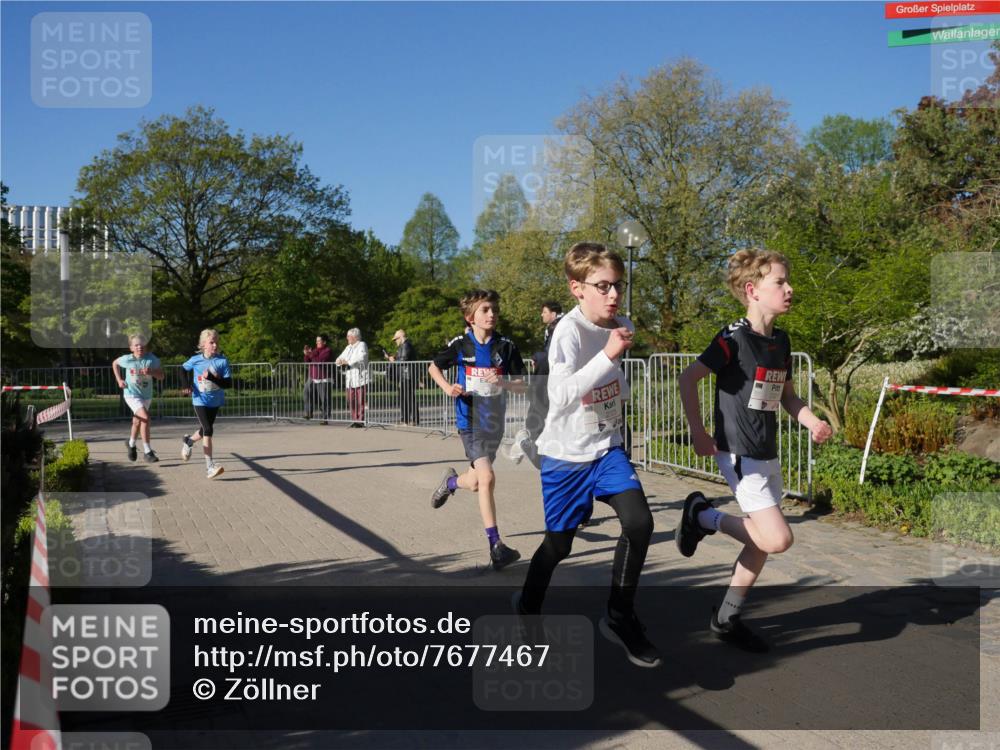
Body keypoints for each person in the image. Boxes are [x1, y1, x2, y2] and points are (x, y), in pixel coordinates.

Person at [676, 248, 832, 652]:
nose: (789, 288)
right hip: (738, 452)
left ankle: (726, 618)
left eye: (788, 280)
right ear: (752, 290)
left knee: (760, 542)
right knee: (776, 539)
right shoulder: (733, 338)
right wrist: (698, 431)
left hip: (767, 450)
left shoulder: (781, 341)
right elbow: (688, 378)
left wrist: (812, 421)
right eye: (780, 281)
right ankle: (702, 516)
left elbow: (788, 397)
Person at [516, 242, 661, 668]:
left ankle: (619, 616)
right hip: (566, 455)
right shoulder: (568, 331)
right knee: (558, 546)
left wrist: (618, 388)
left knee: (640, 522)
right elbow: (561, 394)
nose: (614, 295)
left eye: (618, 285)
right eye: (603, 286)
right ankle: (527, 606)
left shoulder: (622, 323)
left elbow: (611, 382)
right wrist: (608, 355)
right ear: (577, 288)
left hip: (606, 447)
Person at [428, 289, 527, 571]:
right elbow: (433, 367)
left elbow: (522, 384)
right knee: (487, 477)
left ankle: (450, 483)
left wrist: (502, 383)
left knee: (475, 482)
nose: (492, 314)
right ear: (470, 317)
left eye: (494, 309)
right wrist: (448, 387)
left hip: (494, 423)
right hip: (469, 421)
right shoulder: (461, 344)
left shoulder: (506, 346)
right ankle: (496, 546)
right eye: (485, 309)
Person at [508, 300, 564, 467]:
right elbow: (549, 355)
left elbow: (550, 355)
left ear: (553, 313)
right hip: (548, 383)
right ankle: (525, 441)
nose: (542, 315)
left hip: (554, 383)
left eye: (544, 312)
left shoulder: (561, 327)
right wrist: (539, 359)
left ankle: (525, 441)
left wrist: (539, 358)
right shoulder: (556, 327)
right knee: (539, 417)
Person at [180, 329, 233, 479]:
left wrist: (212, 377)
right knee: (208, 429)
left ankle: (188, 441)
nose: (215, 345)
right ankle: (210, 467)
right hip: (199, 399)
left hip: (215, 401)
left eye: (216, 342)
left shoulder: (222, 361)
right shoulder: (195, 360)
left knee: (204, 430)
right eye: (212, 342)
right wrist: (186, 385)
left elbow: (228, 384)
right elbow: (182, 369)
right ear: (203, 344)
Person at [112, 334, 164, 463]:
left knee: (137, 421)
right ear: (131, 348)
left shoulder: (152, 359)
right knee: (145, 417)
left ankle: (131, 444)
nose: (139, 347)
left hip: (146, 395)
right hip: (131, 394)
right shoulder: (127, 359)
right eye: (136, 345)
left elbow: (161, 376)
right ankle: (147, 451)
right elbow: (115, 363)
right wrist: (119, 380)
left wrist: (151, 372)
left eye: (142, 345)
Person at [336, 328, 369, 428]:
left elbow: (361, 357)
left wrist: (348, 362)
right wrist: (339, 361)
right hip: (350, 378)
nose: (347, 338)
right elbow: (339, 358)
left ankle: (360, 420)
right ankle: (354, 419)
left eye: (348, 336)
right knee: (351, 400)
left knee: (360, 401)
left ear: (355, 337)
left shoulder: (362, 344)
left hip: (360, 377)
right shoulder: (348, 347)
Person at [388, 329, 419, 425]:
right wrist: (394, 358)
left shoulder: (406, 345)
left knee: (409, 398)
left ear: (401, 337)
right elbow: (401, 358)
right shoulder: (403, 346)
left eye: (396, 339)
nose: (395, 341)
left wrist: (394, 361)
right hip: (404, 375)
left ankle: (413, 419)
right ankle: (406, 419)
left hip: (407, 375)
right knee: (404, 398)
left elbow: (404, 359)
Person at [303, 334, 333, 424]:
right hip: (312, 376)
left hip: (323, 378)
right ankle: (308, 412)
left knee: (324, 398)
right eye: (316, 341)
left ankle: (325, 418)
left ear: (324, 342)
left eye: (319, 341)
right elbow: (308, 361)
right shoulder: (315, 350)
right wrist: (306, 354)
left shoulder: (328, 350)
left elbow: (319, 360)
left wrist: (310, 354)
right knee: (306, 392)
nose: (317, 342)